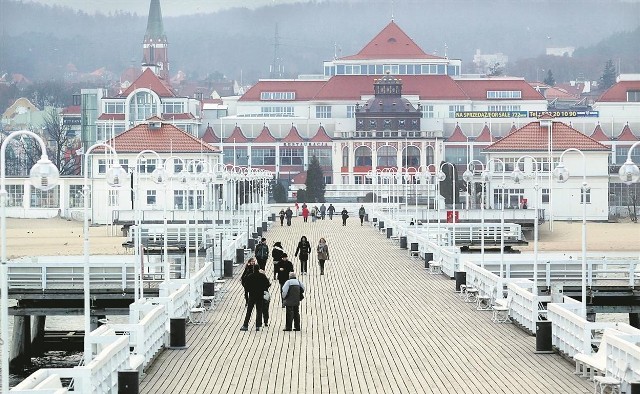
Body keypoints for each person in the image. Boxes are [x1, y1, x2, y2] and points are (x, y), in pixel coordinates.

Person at [240, 263, 270, 332]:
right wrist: (263, 289)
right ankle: (257, 326)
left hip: (252, 295)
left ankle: (245, 325)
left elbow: (246, 286)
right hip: (260, 295)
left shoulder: (250, 276)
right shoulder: (262, 276)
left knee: (249, 311)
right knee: (259, 310)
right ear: (259, 269)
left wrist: (250, 290)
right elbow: (267, 284)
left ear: (253, 269)